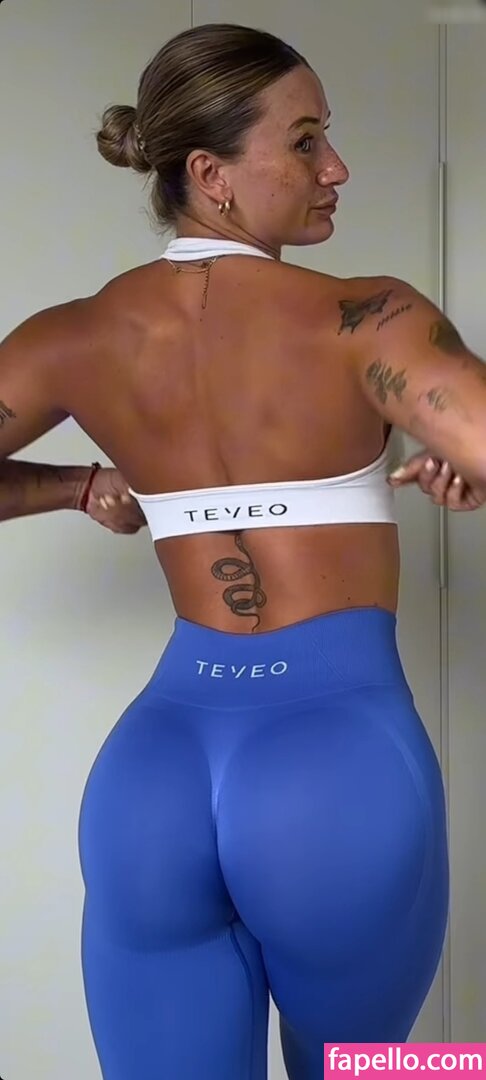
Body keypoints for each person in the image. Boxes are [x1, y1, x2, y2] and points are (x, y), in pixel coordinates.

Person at [1, 21, 485, 1080]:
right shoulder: (369, 319)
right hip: (339, 769)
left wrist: (76, 486)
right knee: (375, 1072)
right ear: (209, 173)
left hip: (154, 776)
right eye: (306, 142)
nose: (335, 167)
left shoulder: (71, 337)